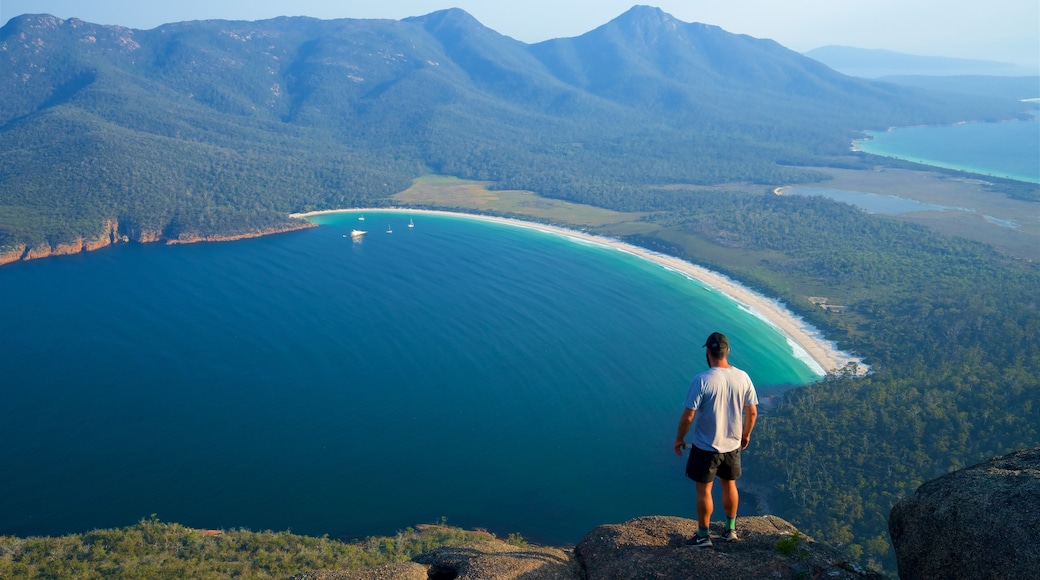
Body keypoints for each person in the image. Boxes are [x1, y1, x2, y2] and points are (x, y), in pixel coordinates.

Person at [673, 332, 759, 548]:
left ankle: (703, 536)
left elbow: (689, 415)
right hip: (732, 445)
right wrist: (745, 434)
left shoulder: (702, 380)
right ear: (727, 351)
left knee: (704, 490)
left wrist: (679, 438)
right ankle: (730, 530)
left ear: (708, 352)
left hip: (705, 447)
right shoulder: (743, 377)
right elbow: (752, 412)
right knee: (730, 485)